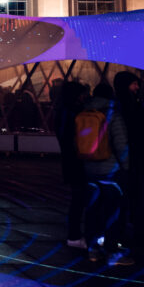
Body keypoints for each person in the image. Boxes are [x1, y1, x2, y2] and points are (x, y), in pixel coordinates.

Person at [80, 83, 133, 265]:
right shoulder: (113, 116)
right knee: (112, 212)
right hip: (110, 172)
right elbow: (121, 145)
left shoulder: (83, 114)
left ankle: (92, 250)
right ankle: (111, 252)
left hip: (89, 170)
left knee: (92, 211)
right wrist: (126, 168)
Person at [114, 71, 144, 256]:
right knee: (134, 197)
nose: (137, 87)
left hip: (124, 160)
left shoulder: (118, 105)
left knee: (123, 198)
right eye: (134, 84)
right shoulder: (131, 105)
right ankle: (136, 233)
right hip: (132, 159)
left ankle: (122, 233)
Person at [53, 81, 90, 249]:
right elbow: (69, 138)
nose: (85, 97)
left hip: (72, 161)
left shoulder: (63, 111)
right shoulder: (70, 112)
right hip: (76, 162)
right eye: (82, 94)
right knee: (79, 199)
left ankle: (75, 235)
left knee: (79, 199)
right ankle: (74, 236)